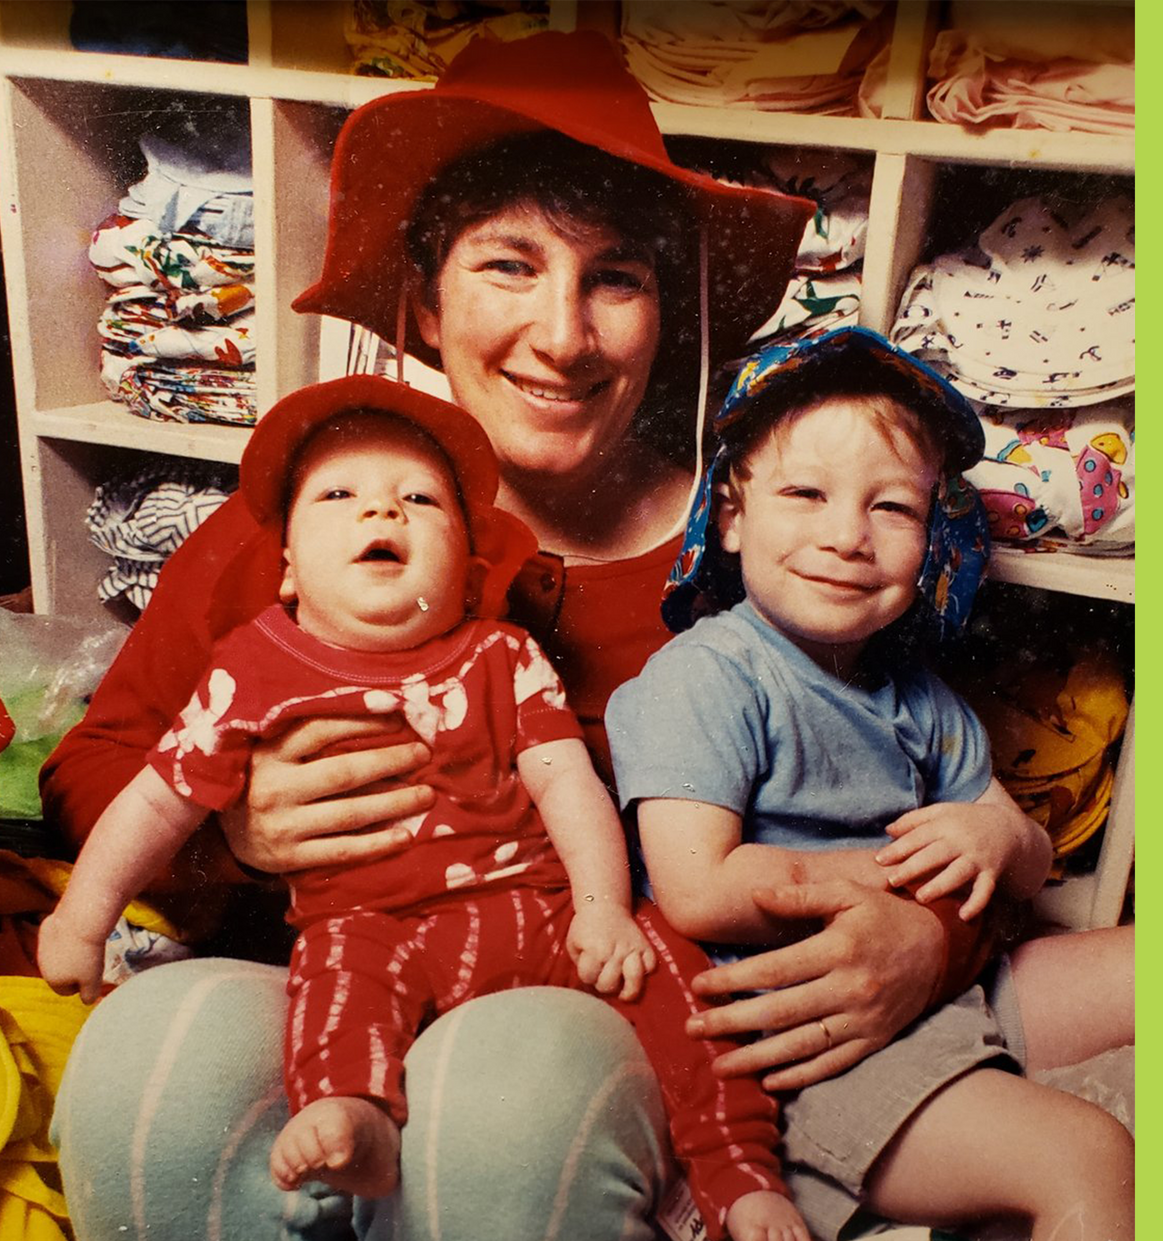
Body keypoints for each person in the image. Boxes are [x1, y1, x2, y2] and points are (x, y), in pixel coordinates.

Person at [41, 32, 1042, 1241]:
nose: (562, 335)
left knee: (507, 1106)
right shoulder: (318, 522)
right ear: (424, 298)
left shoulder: (768, 553)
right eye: (508, 265)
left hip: (592, 1007)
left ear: (668, 315)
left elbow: (911, 780)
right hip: (321, 983)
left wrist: (937, 933)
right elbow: (92, 767)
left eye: (614, 278)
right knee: (147, 1076)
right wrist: (235, 838)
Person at [37, 377, 804, 1241]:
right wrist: (84, 914)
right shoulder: (250, 669)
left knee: (674, 978)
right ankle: (352, 1110)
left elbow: (567, 784)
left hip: (537, 909)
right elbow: (153, 798)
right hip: (371, 925)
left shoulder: (500, 655)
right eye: (338, 497)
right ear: (286, 567)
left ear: (468, 566)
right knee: (333, 994)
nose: (382, 513)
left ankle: (736, 1170)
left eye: (419, 500)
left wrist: (599, 907)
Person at [607, 327, 1134, 1241]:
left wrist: (996, 838)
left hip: (936, 991)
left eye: (891, 507)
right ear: (731, 517)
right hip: (810, 1045)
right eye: (805, 493)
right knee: (1088, 1157)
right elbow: (696, 888)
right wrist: (906, 880)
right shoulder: (709, 676)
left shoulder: (911, 692)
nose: (846, 535)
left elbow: (1028, 855)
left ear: (931, 530)